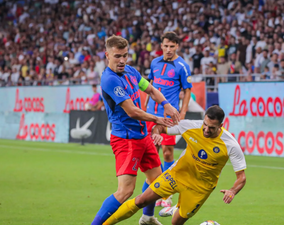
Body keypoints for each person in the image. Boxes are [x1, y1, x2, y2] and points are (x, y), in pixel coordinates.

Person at [102, 106, 247, 225]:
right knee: (141, 200)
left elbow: (241, 178)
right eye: (205, 125)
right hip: (177, 175)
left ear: (221, 126)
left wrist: (232, 191)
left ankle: (176, 209)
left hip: (201, 188)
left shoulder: (230, 145)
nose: (206, 130)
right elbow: (160, 127)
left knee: (175, 223)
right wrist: (156, 133)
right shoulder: (192, 126)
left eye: (212, 128)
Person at [91, 35, 180, 225]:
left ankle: (147, 218)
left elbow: (151, 90)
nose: (122, 60)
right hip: (126, 140)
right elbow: (132, 111)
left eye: (125, 56)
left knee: (157, 180)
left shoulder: (131, 71)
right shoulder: (109, 79)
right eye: (117, 56)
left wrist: (166, 104)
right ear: (107, 55)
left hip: (142, 136)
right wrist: (158, 118)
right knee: (125, 192)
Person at [145, 32, 192, 208]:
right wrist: (144, 107)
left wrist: (183, 112)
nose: (169, 49)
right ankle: (154, 192)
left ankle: (167, 194)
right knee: (152, 154)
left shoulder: (182, 66)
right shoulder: (155, 62)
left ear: (177, 47)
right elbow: (149, 86)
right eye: (166, 46)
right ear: (161, 46)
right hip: (151, 114)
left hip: (168, 116)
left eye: (172, 46)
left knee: (167, 153)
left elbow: (187, 90)